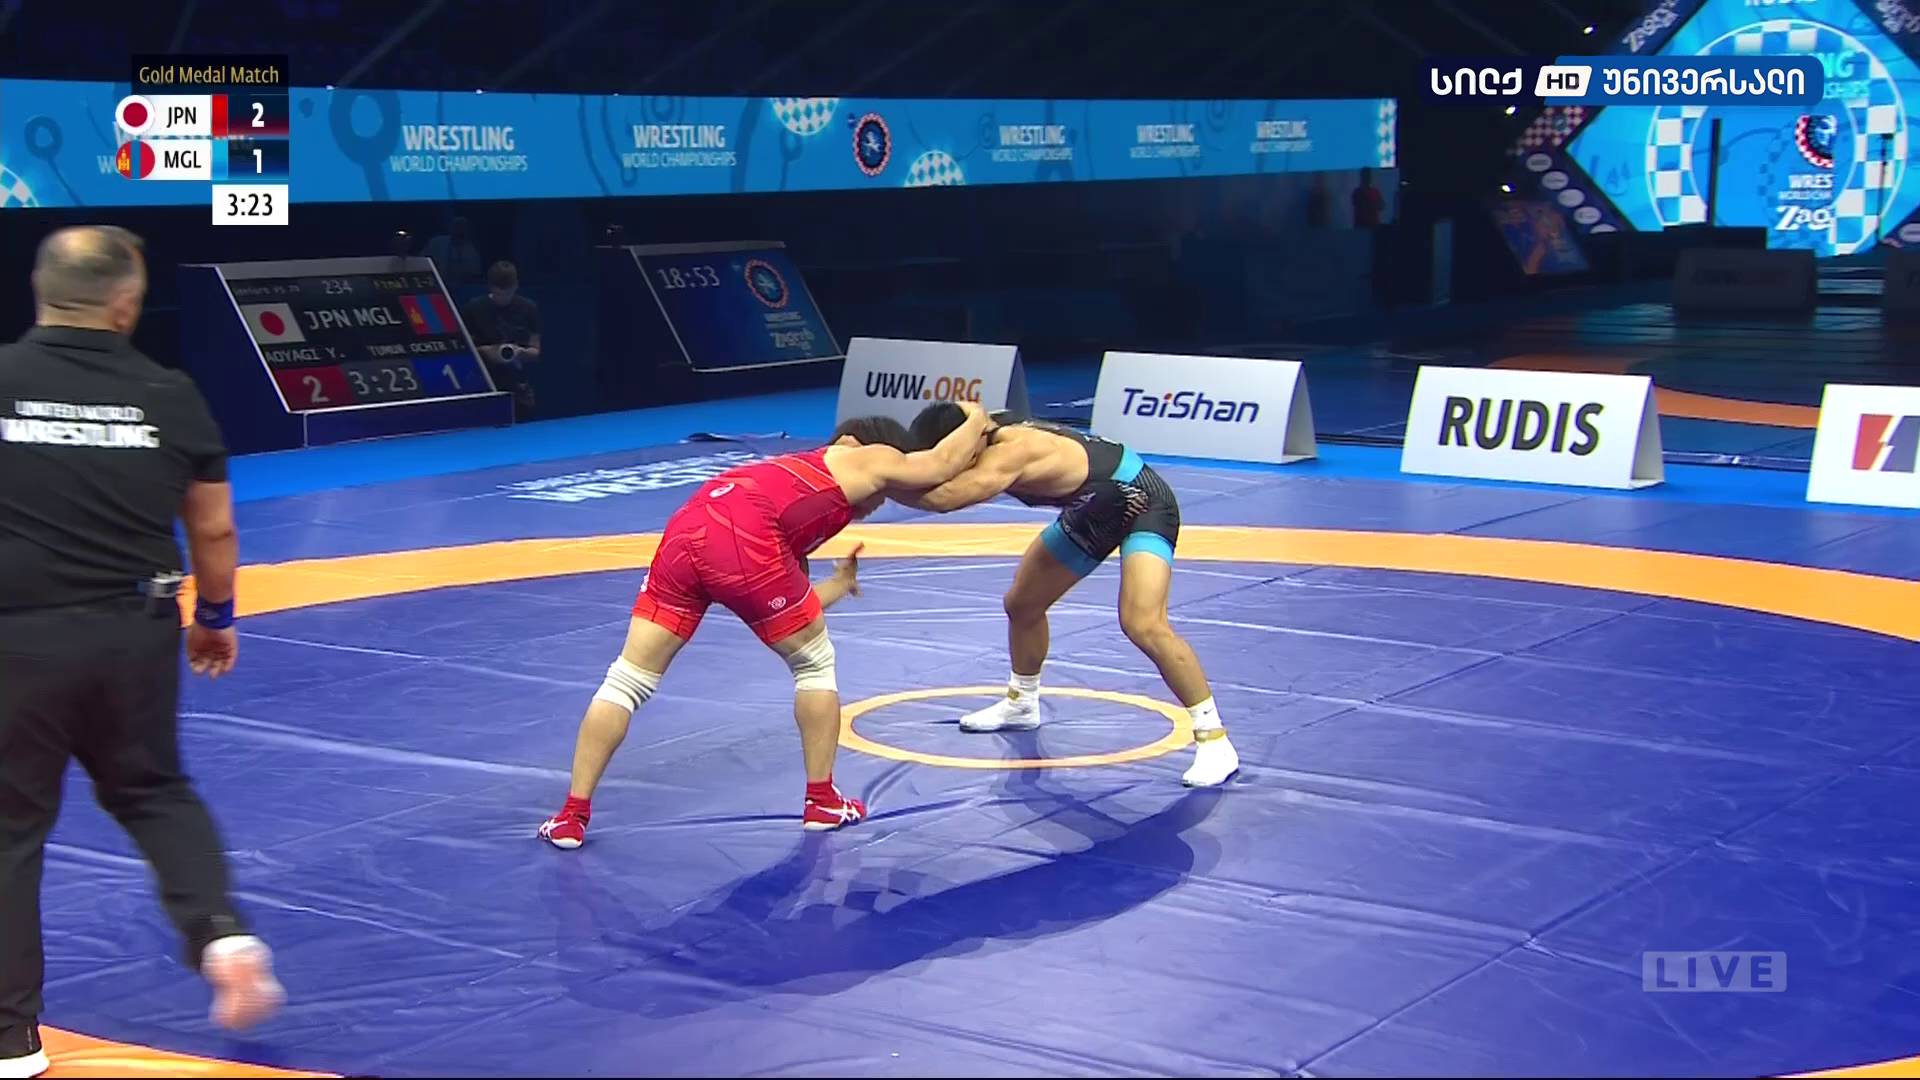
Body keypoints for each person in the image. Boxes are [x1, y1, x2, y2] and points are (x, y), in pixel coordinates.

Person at [0, 226, 283, 1080]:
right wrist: (216, 618)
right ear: (127, 304)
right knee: (153, 790)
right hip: (135, 628)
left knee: (10, 827)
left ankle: (11, 1039)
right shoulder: (169, 392)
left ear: (41, 292)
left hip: (19, 634)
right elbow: (215, 528)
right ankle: (221, 935)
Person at [537, 405, 991, 849]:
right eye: (887, 486)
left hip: (687, 530)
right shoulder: (861, 454)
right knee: (815, 665)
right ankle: (822, 801)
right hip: (742, 534)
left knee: (627, 679)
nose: (882, 497)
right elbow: (939, 466)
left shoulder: (788, 489)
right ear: (857, 442)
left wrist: (838, 584)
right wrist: (977, 418)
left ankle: (570, 816)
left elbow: (790, 609)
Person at [898, 405, 1239, 788]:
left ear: (969, 444)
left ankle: (1214, 738)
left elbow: (944, 498)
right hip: (1096, 506)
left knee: (1143, 623)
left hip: (1143, 502)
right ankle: (1022, 702)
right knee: (1023, 605)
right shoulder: (978, 426)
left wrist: (876, 481)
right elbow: (961, 416)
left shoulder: (1013, 451)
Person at [460, 260, 542, 419]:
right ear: (490, 287)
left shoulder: (529, 308)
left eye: (507, 294)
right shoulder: (473, 308)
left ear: (516, 286)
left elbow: (536, 351)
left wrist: (520, 352)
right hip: (483, 384)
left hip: (518, 385)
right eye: (498, 294)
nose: (503, 299)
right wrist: (487, 351)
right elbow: (463, 350)